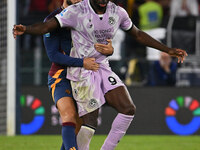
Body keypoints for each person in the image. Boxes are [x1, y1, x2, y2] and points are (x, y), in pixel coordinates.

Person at [13, 0, 188, 149]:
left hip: (102, 66)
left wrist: (168, 50)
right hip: (81, 70)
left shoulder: (118, 12)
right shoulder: (75, 12)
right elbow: (46, 27)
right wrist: (26, 29)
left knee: (128, 109)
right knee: (87, 122)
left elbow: (138, 35)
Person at [40, 0, 113, 149]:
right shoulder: (52, 20)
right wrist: (82, 62)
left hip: (84, 77)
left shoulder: (91, 18)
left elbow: (102, 44)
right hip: (61, 76)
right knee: (69, 116)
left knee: (79, 126)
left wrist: (110, 49)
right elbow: (53, 55)